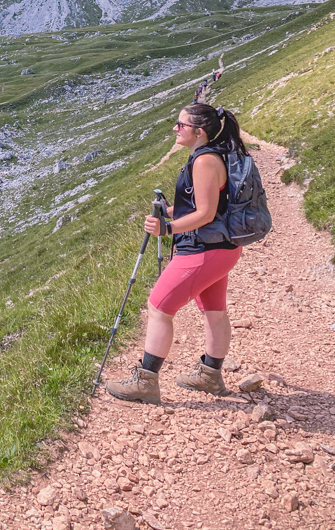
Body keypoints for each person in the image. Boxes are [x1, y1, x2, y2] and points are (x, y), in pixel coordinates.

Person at [105, 103, 249, 405]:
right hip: (221, 249)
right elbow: (204, 205)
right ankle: (210, 376)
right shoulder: (210, 155)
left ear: (199, 132)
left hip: (204, 250)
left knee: (159, 307)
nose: (175, 129)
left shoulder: (205, 161)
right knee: (214, 311)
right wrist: (169, 212)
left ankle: (146, 382)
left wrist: (167, 229)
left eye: (180, 125)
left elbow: (206, 214)